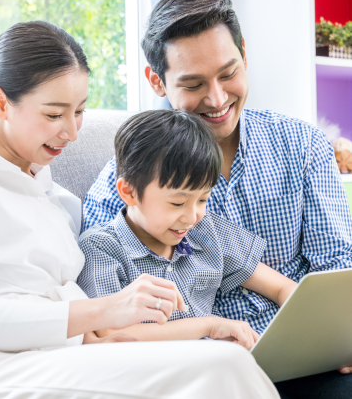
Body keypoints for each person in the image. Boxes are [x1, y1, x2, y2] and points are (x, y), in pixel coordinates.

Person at [0, 21, 279, 399]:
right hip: (4, 363)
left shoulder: (53, 194)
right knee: (224, 367)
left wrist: (102, 338)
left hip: (73, 351)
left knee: (222, 362)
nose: (72, 133)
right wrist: (105, 312)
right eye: (55, 115)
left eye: (79, 111)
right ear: (0, 102)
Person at [83, 0, 352, 398]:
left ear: (243, 55)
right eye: (193, 84)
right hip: (204, 375)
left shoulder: (304, 145)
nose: (217, 98)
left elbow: (335, 266)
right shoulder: (116, 194)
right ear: (157, 81)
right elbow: (107, 329)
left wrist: (335, 334)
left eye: (228, 73)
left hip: (306, 356)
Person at [79, 109, 296, 346]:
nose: (192, 217)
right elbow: (109, 335)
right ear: (129, 192)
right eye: (178, 203)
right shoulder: (101, 247)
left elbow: (281, 287)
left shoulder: (207, 230)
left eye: (203, 199)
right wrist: (209, 325)